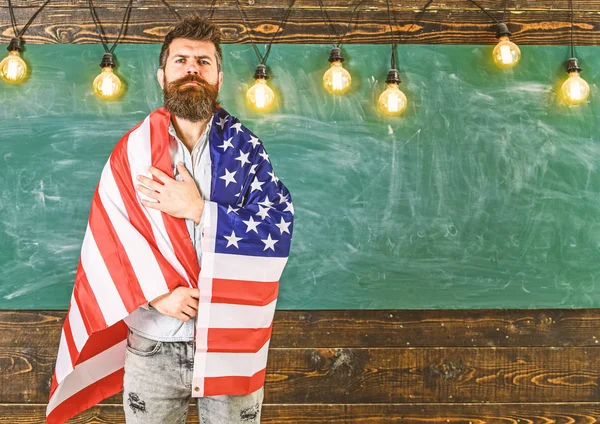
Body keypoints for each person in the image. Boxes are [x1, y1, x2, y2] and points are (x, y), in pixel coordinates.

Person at [46, 14, 294, 424]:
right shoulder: (133, 153)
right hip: (154, 341)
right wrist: (156, 294)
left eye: (203, 61)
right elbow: (110, 240)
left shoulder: (248, 151)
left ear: (218, 77)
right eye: (181, 61)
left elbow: (277, 228)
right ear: (162, 74)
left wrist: (198, 209)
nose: (192, 68)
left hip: (231, 338)